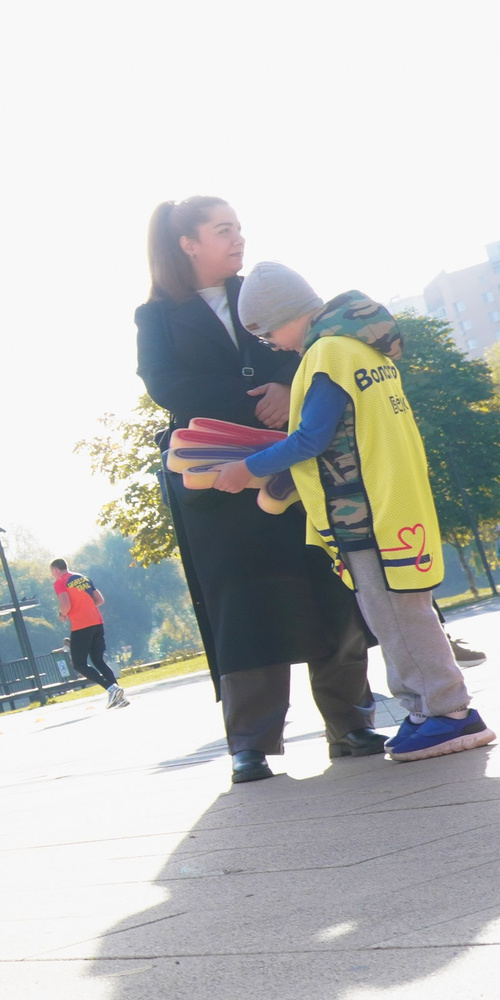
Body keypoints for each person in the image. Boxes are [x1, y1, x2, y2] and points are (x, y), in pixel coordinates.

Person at [136, 198, 382, 784]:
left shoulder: (265, 293)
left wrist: (284, 387)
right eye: (224, 231)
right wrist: (256, 395)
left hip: (296, 457)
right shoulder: (156, 316)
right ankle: (250, 742)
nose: (238, 239)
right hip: (217, 476)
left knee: (328, 584)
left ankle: (350, 724)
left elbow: (316, 346)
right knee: (243, 604)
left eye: (239, 229)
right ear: (188, 243)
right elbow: (164, 384)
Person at [220, 265, 496, 763]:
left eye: (266, 333)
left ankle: (449, 713)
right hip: (394, 502)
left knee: (394, 617)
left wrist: (248, 468)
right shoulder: (362, 349)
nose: (272, 345)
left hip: (364, 512)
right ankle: (424, 712)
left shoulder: (325, 355)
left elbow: (311, 439)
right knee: (406, 612)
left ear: (285, 315)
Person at [50, 559, 126, 706]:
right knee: (98, 660)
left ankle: (111, 688)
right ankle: (119, 697)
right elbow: (100, 599)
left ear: (55, 570)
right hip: (97, 622)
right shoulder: (82, 578)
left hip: (81, 625)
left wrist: (62, 614)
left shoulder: (60, 582)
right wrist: (87, 607)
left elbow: (65, 605)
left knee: (79, 664)